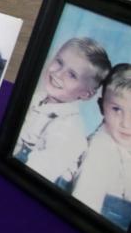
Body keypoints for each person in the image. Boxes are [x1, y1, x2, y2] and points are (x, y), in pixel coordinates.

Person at [71, 64, 131, 229]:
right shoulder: (101, 151)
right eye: (117, 109)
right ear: (101, 107)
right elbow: (83, 210)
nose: (126, 123)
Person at [13, 37, 112, 184]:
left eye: (72, 75)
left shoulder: (69, 130)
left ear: (86, 94)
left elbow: (34, 176)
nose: (58, 74)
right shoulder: (37, 98)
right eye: (59, 62)